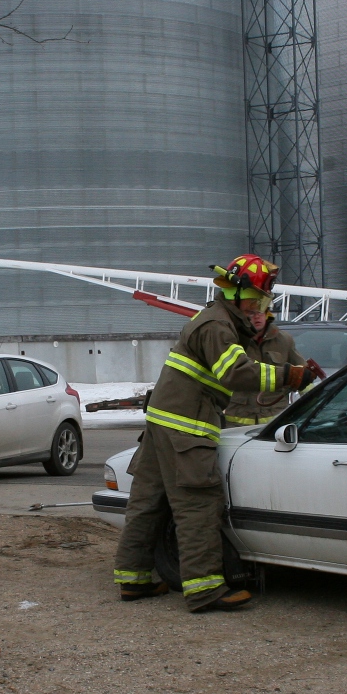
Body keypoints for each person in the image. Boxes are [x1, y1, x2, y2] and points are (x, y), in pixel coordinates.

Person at [112, 254, 310, 612]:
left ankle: (133, 579)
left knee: (148, 503)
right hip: (187, 426)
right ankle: (204, 590)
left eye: (263, 302)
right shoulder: (217, 326)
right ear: (234, 292)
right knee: (198, 504)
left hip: (164, 421)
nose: (258, 307)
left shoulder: (216, 320)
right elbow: (236, 374)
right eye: (255, 298)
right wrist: (288, 376)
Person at [222, 308, 306, 427]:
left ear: (267, 314)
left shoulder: (283, 340)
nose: (257, 317)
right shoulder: (233, 341)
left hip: (275, 420)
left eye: (260, 312)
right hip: (237, 420)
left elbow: (303, 374)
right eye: (251, 312)